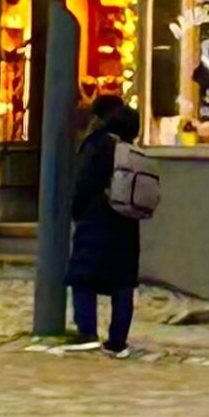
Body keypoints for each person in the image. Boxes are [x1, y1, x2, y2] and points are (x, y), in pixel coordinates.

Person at [67, 92, 142, 356]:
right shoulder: (132, 148)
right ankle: (118, 341)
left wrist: (77, 211)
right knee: (123, 282)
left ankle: (86, 332)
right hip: (127, 222)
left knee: (82, 276)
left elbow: (83, 183)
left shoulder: (97, 144)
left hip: (96, 218)